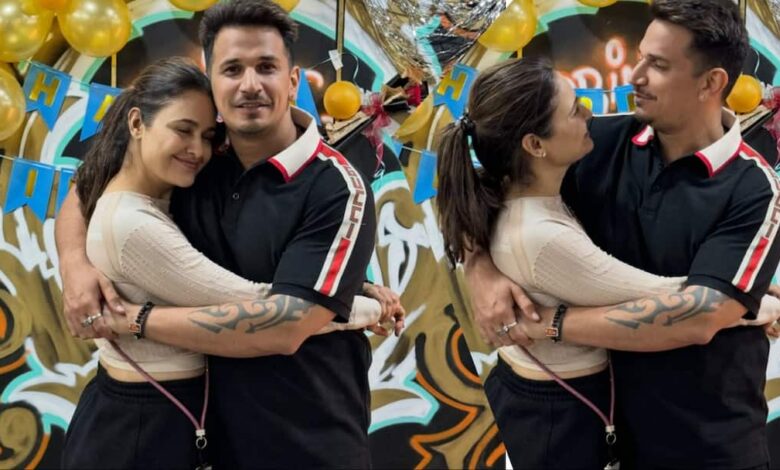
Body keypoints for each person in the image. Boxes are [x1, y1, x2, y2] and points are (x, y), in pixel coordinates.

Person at [55, 1, 404, 467]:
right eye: (233, 69)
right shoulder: (199, 160)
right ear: (213, 81)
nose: (250, 84)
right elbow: (88, 186)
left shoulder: (334, 186)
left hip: (307, 443)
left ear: (293, 81)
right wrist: (74, 264)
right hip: (205, 437)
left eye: (266, 67)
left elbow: (287, 326)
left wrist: (134, 320)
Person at [463, 1, 780, 468]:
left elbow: (698, 318)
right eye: (640, 56)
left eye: (659, 65)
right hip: (602, 438)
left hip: (709, 449)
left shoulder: (752, 188)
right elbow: (479, 186)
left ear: (711, 83)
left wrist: (550, 324)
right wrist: (481, 269)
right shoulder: (596, 143)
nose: (636, 75)